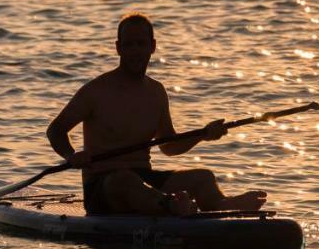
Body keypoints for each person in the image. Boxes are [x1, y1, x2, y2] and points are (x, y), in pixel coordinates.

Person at [47, 12, 268, 217]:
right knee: (124, 179)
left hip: (145, 179)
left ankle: (221, 206)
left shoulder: (156, 92)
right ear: (118, 48)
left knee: (203, 177)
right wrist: (71, 156)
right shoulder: (95, 91)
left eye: (141, 44)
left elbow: (169, 146)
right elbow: (55, 131)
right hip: (104, 186)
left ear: (152, 47)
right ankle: (171, 205)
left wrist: (203, 134)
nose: (135, 51)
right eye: (129, 45)